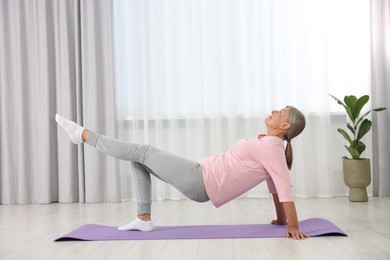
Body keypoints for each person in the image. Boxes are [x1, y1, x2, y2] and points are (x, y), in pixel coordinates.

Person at [55, 106, 308, 240]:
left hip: (201, 180)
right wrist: (281, 220)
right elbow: (275, 185)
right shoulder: (269, 145)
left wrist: (293, 225)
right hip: (200, 175)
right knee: (139, 159)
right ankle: (143, 219)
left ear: (285, 125)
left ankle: (84, 135)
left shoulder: (274, 149)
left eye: (280, 112)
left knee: (141, 151)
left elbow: (283, 186)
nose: (274, 111)